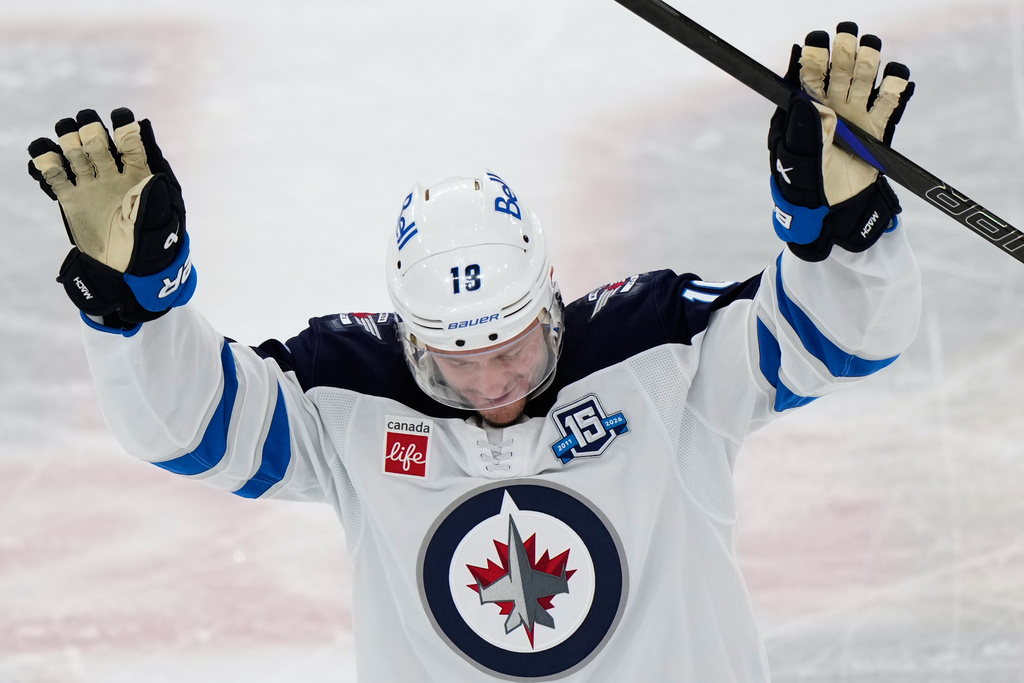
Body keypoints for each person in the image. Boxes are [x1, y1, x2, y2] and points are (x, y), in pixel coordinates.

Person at [27, 22, 920, 682]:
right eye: (457, 363)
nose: (495, 383)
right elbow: (189, 427)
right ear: (410, 339)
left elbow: (841, 337)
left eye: (514, 349)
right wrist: (140, 308)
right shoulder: (348, 397)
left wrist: (838, 228)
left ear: (551, 301)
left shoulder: (661, 353)